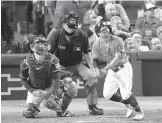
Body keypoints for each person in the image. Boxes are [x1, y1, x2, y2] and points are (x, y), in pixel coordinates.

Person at [47, 12, 104, 115]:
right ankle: (59, 108)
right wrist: (51, 68)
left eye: (75, 20)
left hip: (77, 65)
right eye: (71, 21)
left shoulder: (82, 35)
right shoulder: (56, 34)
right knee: (53, 87)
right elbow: (49, 53)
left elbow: (86, 54)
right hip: (60, 65)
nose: (74, 23)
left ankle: (92, 106)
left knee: (91, 77)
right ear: (64, 24)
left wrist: (92, 69)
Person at [92, 21, 144, 121]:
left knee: (126, 94)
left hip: (123, 68)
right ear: (98, 33)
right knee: (107, 94)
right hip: (112, 71)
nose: (106, 31)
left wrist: (105, 69)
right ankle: (128, 105)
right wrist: (96, 70)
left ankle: (139, 111)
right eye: (103, 30)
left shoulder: (117, 40)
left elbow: (117, 58)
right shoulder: (96, 44)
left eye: (107, 28)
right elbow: (94, 60)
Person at [19, 35, 78, 118]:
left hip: (50, 87)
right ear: (32, 47)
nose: (42, 46)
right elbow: (23, 79)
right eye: (39, 44)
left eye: (44, 44)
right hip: (36, 89)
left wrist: (48, 93)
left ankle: (62, 111)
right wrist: (33, 91)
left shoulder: (53, 60)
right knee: (29, 114)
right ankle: (31, 108)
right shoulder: (26, 62)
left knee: (71, 85)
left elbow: (56, 80)